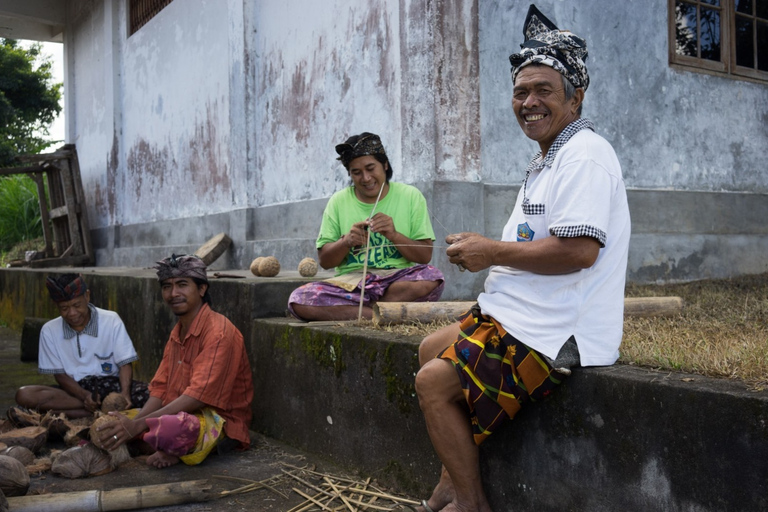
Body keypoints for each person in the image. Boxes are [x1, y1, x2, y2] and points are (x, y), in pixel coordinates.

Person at [413, 5, 631, 512]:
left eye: (544, 91)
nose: (528, 102)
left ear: (575, 98)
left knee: (433, 382)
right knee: (430, 349)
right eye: (520, 92)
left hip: (558, 332)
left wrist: (490, 251)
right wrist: (491, 253)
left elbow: (579, 251)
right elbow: (537, 241)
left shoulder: (586, 154)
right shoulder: (548, 157)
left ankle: (471, 504)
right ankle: (451, 478)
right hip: (519, 316)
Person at [97, 254, 254, 468]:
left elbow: (197, 397)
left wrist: (138, 426)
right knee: (110, 423)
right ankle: (160, 445)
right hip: (179, 413)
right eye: (167, 287)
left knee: (172, 430)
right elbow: (160, 389)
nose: (173, 294)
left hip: (218, 421)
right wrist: (133, 424)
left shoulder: (219, 332)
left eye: (182, 285)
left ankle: (166, 446)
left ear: (201, 289)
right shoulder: (177, 332)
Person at [288, 132, 445, 321]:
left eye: (371, 168)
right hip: (352, 285)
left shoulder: (410, 196)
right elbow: (325, 261)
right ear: (350, 174)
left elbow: (424, 256)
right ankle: (379, 315)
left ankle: (361, 311)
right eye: (356, 172)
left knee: (431, 278)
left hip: (396, 281)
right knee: (299, 300)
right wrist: (346, 241)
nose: (366, 178)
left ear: (385, 165)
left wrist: (394, 235)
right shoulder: (338, 201)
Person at [13, 273, 148, 420]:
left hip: (111, 389)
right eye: (64, 308)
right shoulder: (49, 330)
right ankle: (99, 412)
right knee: (24, 394)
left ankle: (72, 414)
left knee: (154, 394)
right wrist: (85, 396)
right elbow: (60, 375)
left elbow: (125, 364)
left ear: (87, 296)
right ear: (56, 305)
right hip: (74, 391)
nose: (72, 313)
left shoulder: (111, 320)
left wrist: (125, 395)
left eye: (77, 305)